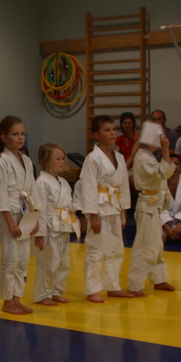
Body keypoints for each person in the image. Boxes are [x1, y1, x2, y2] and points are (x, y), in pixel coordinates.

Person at [78, 115, 129, 303]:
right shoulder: (93, 158)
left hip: (115, 207)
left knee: (116, 249)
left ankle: (113, 286)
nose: (112, 133)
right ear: (97, 135)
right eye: (107, 130)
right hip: (99, 208)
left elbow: (123, 186)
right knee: (96, 250)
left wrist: (123, 211)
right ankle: (92, 289)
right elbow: (89, 188)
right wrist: (93, 217)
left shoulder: (120, 157)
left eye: (114, 129)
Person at [0, 115, 39, 315]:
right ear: (4, 137)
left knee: (23, 259)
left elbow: (33, 189)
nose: (20, 138)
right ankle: (7, 301)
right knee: (11, 259)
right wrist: (10, 222)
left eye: (22, 134)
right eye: (15, 134)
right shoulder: (1, 162)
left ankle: (17, 298)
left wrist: (35, 218)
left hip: (25, 212)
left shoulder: (26, 160)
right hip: (9, 214)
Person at [125, 122, 176, 297]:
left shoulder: (147, 156)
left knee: (156, 245)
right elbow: (164, 173)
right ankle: (134, 285)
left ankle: (159, 279)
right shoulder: (143, 157)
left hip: (154, 206)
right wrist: (166, 149)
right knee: (145, 246)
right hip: (147, 206)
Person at [34, 143, 75, 307]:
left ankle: (56, 290)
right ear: (46, 161)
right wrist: (39, 234)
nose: (62, 162)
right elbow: (40, 209)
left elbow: (69, 205)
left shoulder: (63, 182)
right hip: (48, 226)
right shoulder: (41, 182)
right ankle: (42, 293)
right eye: (57, 159)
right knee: (47, 261)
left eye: (63, 158)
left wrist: (74, 223)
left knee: (63, 261)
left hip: (63, 224)